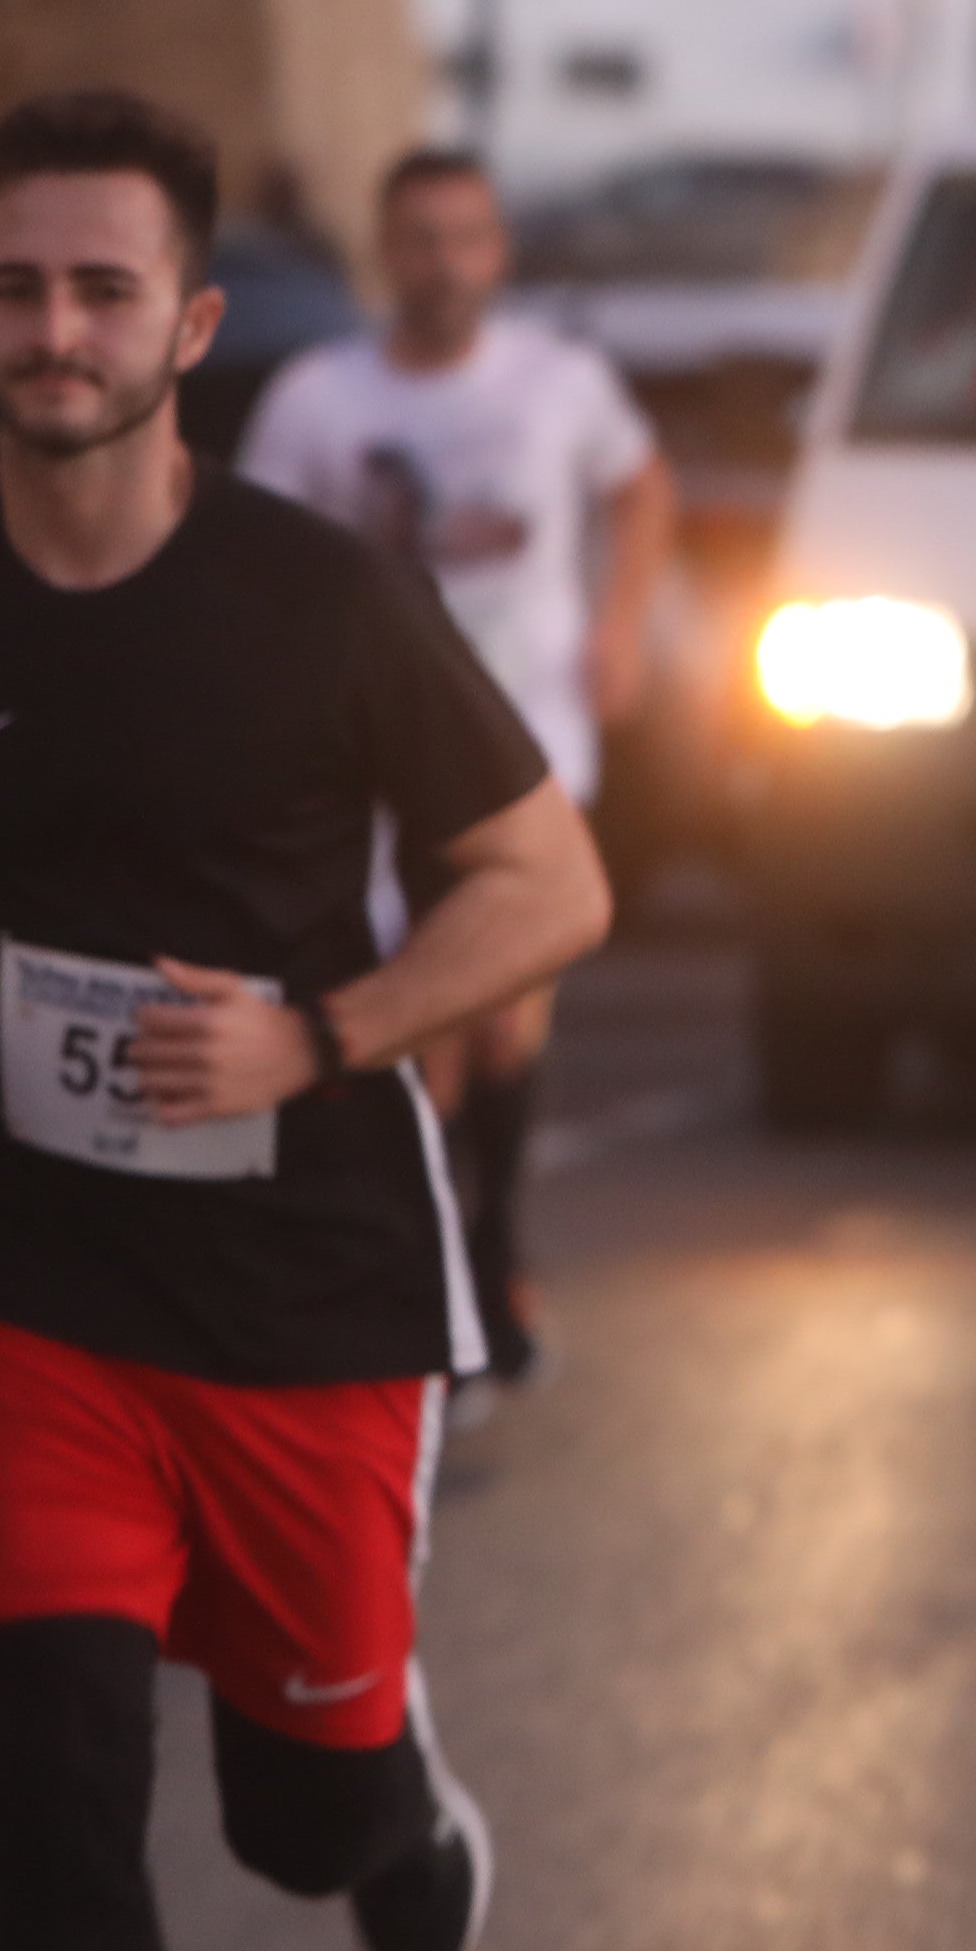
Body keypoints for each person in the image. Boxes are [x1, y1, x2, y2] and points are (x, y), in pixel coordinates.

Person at [0, 89, 616, 1951]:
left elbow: (552, 881)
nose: (54, 329)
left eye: (101, 287)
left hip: (312, 1287)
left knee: (292, 1826)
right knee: (52, 1772)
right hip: (45, 1278)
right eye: (15, 285)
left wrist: (322, 1035)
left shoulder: (323, 604)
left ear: (189, 323)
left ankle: (385, 1789)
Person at [241, 147, 674, 1390]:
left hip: (528, 735)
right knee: (431, 1013)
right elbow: (269, 560)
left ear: (500, 251)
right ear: (387, 252)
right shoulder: (320, 397)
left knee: (498, 1012)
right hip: (377, 752)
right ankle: (449, 1282)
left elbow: (642, 490)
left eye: (466, 237)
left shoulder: (561, 383)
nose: (444, 264)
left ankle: (491, 1269)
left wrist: (619, 622)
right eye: (420, 239)